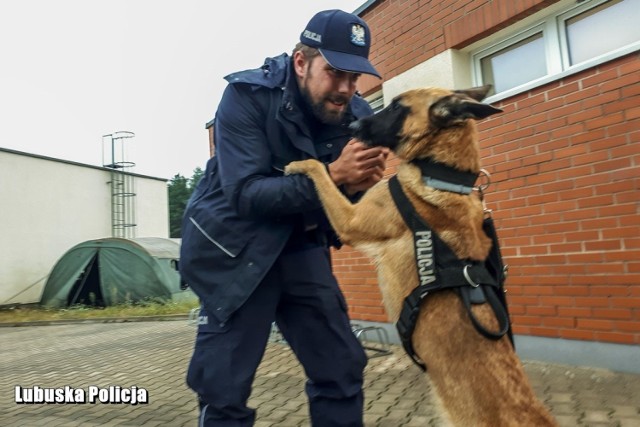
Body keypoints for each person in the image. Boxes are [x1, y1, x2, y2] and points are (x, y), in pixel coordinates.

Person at [180, 9, 388, 427]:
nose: (346, 88)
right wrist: (333, 176)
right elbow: (245, 194)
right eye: (335, 73)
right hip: (235, 252)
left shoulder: (357, 115)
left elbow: (350, 203)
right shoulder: (246, 96)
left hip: (301, 247)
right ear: (300, 62)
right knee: (223, 388)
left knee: (342, 370)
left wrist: (361, 183)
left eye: (355, 78)